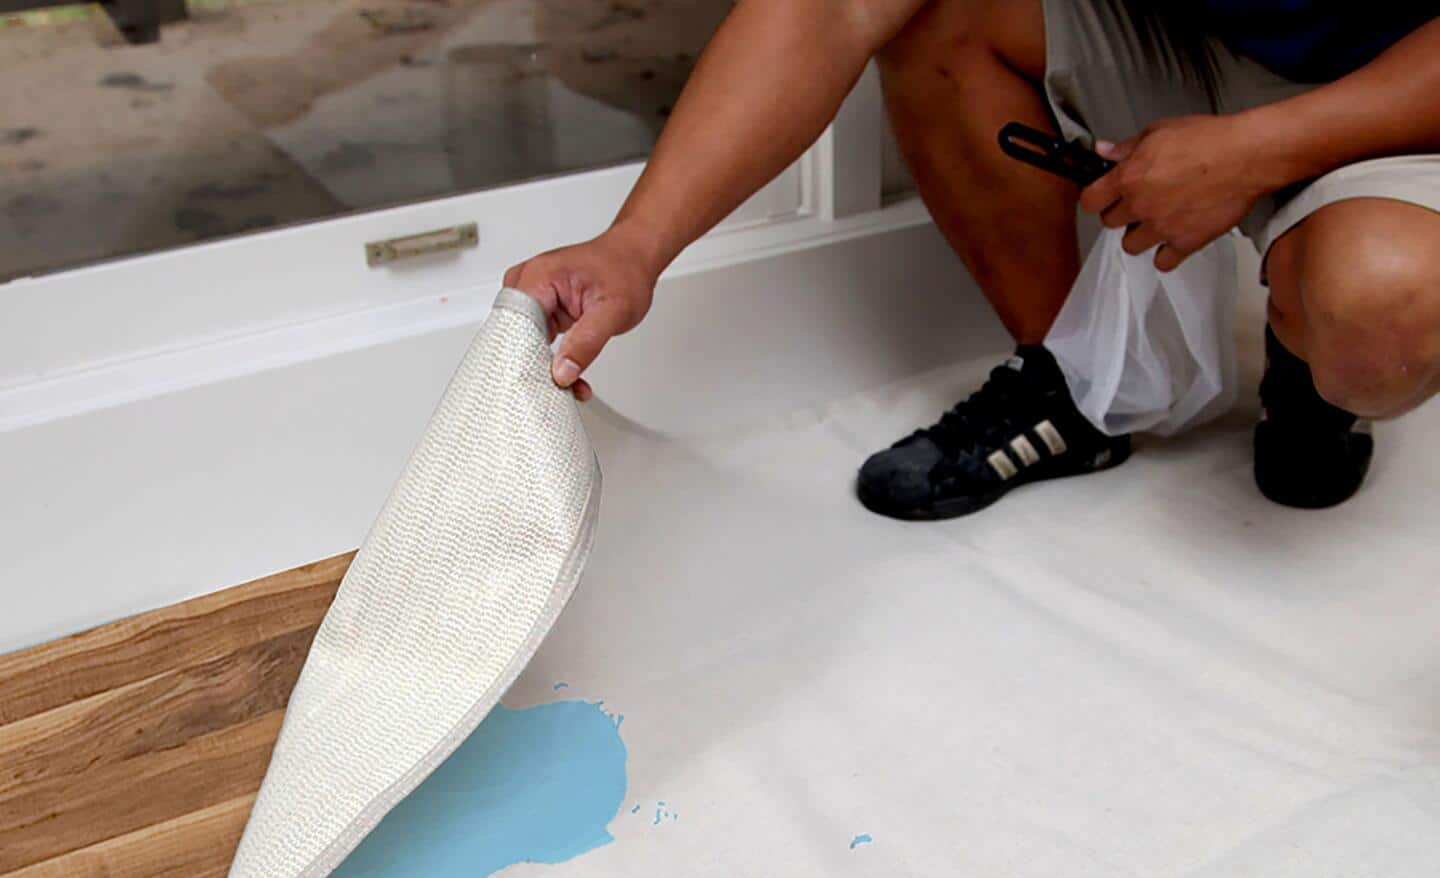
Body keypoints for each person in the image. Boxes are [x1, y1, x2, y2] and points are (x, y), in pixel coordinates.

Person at [504, 1, 1440, 518]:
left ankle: (1310, 352)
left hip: (1399, 75)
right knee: (935, 10)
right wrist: (633, 246)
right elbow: (832, 11)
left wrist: (1255, 153)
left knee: (1384, 307)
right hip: (1190, 27)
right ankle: (1067, 383)